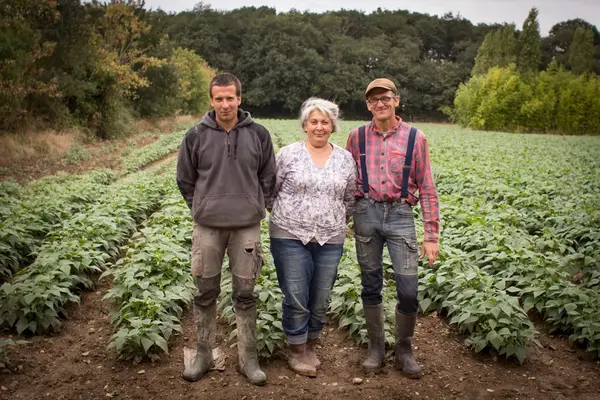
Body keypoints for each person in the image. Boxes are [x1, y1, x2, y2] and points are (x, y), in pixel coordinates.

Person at [176, 72, 276, 386]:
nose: (224, 104)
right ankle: (203, 354)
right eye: (218, 98)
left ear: (239, 99)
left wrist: (255, 204)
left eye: (229, 98)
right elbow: (185, 179)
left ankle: (249, 359)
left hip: (246, 226)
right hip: (208, 227)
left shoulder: (258, 134)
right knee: (205, 291)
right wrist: (202, 206)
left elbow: (268, 177)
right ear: (211, 100)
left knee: (245, 292)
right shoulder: (195, 135)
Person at [345, 78, 440, 378]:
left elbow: (427, 187)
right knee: (370, 283)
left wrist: (431, 235)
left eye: (385, 98)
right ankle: (375, 347)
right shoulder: (356, 137)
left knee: (409, 289)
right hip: (366, 213)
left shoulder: (416, 138)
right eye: (374, 100)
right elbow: (347, 183)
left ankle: (404, 349)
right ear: (368, 105)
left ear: (396, 100)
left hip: (401, 215)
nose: (380, 103)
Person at [268, 98, 357, 377]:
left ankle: (311, 345)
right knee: (296, 294)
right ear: (305, 125)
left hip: (331, 237)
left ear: (333, 126)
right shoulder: (287, 154)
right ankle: (296, 349)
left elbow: (350, 197)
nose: (319, 127)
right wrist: (292, 217)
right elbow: (271, 191)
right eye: (314, 121)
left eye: (325, 122)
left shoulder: (345, 158)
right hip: (289, 234)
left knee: (320, 296)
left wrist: (333, 220)